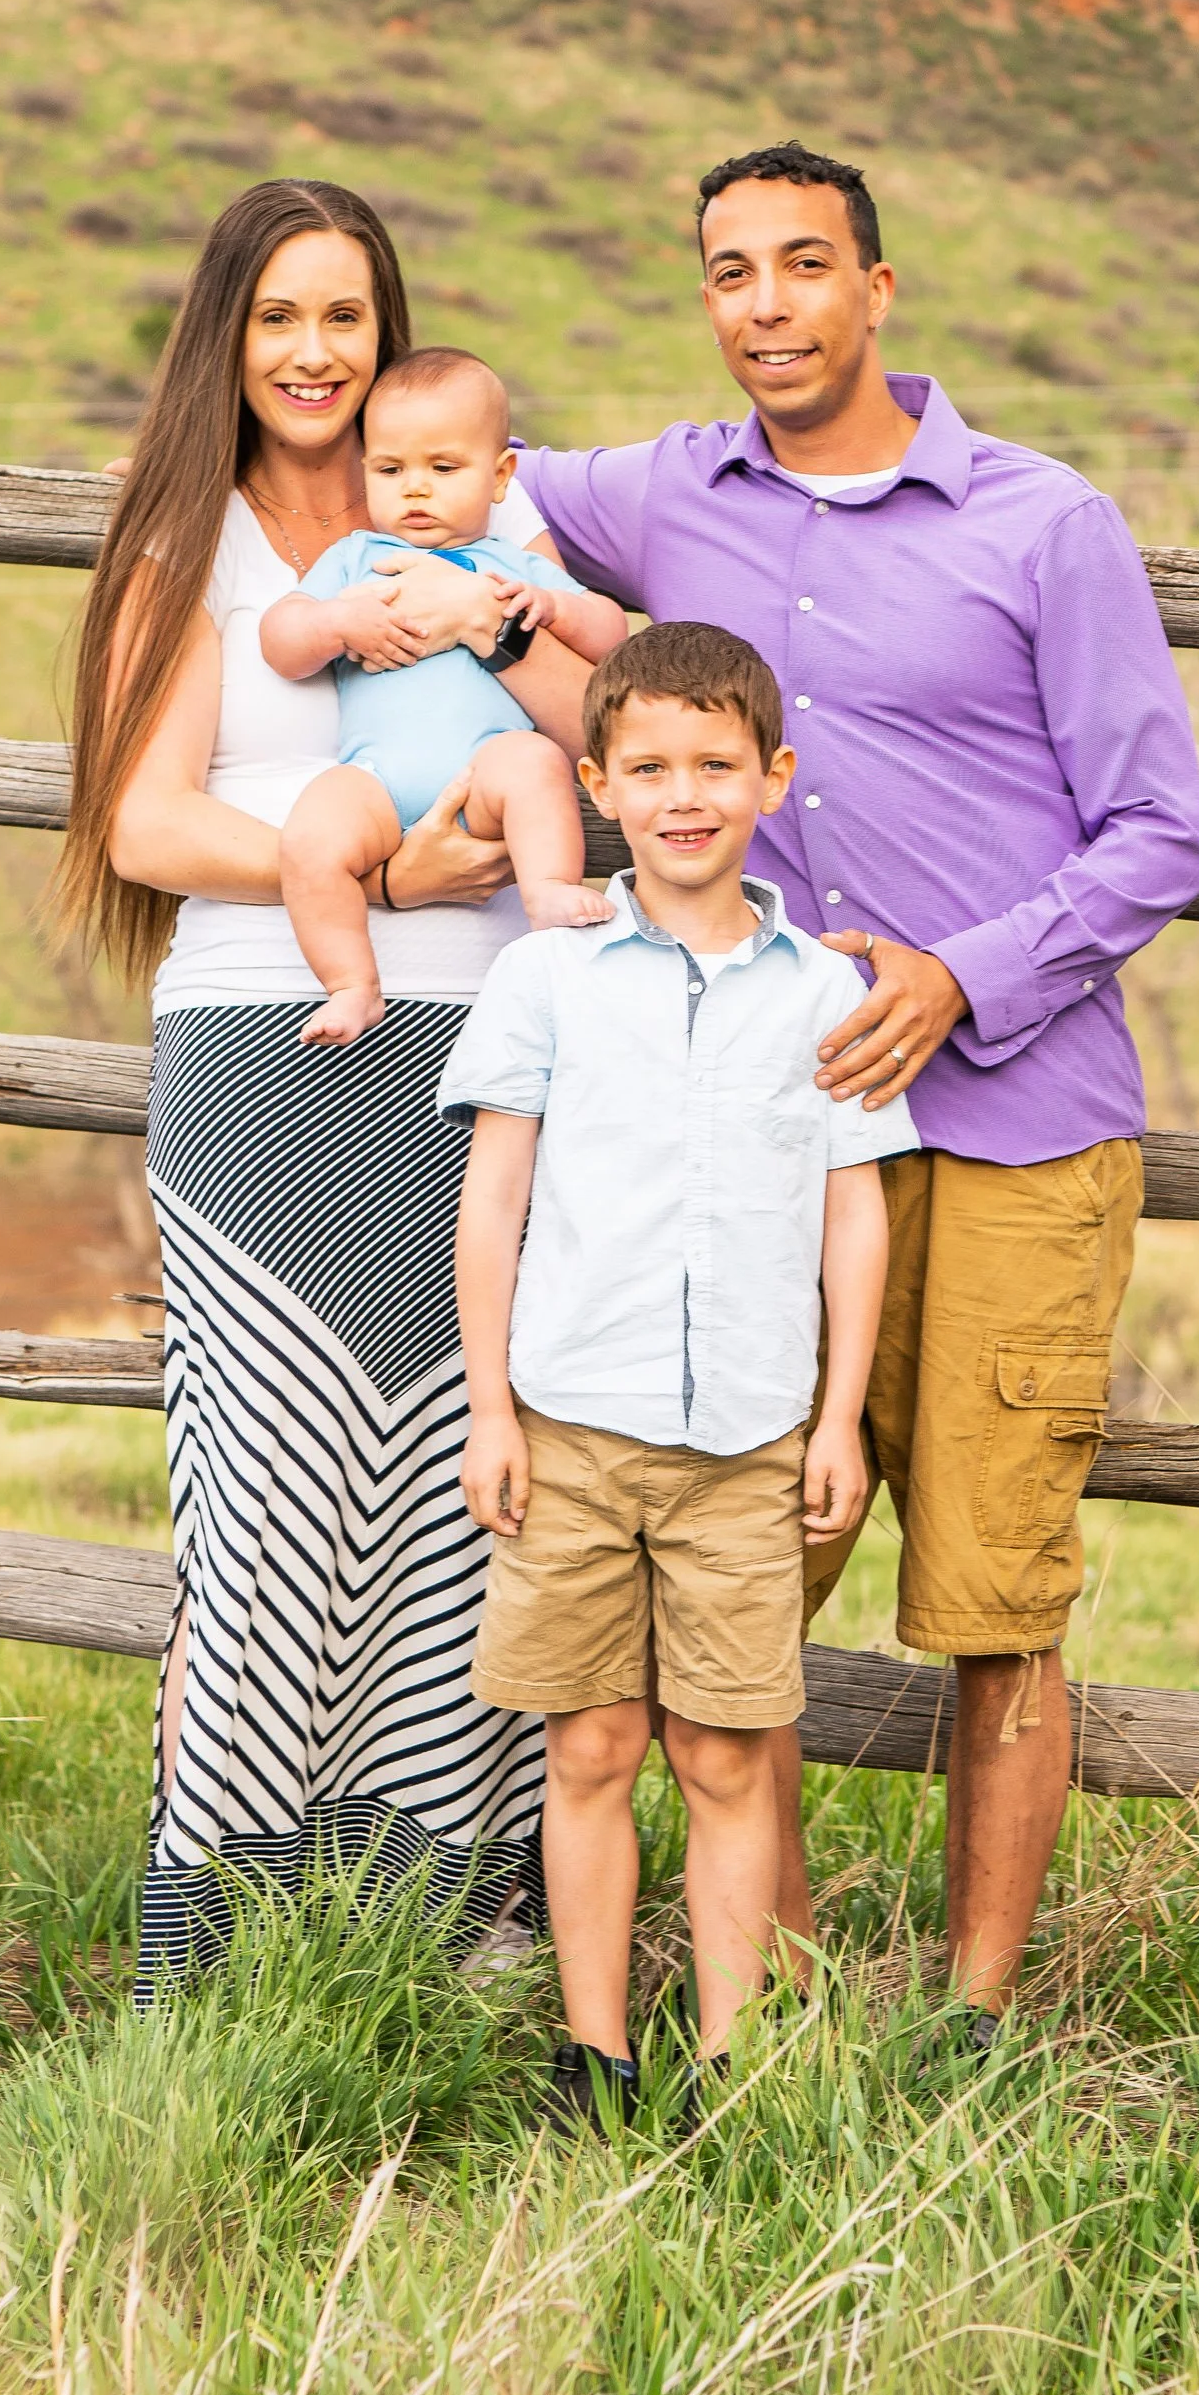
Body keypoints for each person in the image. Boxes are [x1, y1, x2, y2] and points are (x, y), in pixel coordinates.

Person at [510, 140, 1199, 2049]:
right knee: (745, 1586)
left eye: (803, 267)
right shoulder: (663, 492)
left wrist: (960, 972)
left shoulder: (1041, 524)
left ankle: (975, 2021)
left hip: (1016, 1126)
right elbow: (442, 472)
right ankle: (786, 1987)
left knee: (996, 1597)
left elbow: (1164, 830)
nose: (765, 306)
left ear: (878, 290)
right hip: (770, 1144)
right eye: (730, 272)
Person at [55, 178, 598, 1998]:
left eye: (345, 317)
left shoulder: (477, 511)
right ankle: (213, 1976)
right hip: (272, 1055)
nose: (314, 353)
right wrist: (367, 872)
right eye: (280, 317)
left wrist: (503, 630)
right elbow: (144, 819)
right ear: (228, 332)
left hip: (494, 1064)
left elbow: (618, 735)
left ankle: (447, 1966)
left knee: (467, 1510)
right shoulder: (187, 547)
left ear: (390, 333)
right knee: (272, 1505)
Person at [440, 622, 909, 2125]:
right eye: (647, 767)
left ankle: (734, 2058)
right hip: (573, 1422)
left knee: (721, 1748)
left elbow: (854, 1208)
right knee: (587, 1740)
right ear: (596, 784)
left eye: (715, 763)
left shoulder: (821, 993)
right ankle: (597, 2057)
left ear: (773, 778)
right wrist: (491, 1409)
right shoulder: (549, 978)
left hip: (750, 1435)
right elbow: (495, 1200)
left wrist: (836, 1416)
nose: (683, 794)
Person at [262, 344, 628, 1046]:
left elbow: (610, 632)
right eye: (391, 470)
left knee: (531, 760)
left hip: (482, 770)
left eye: (443, 468)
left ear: (499, 477)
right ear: (364, 469)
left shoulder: (514, 566)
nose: (416, 489)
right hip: (376, 778)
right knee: (309, 835)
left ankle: (546, 888)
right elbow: (281, 637)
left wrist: (551, 608)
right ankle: (351, 982)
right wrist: (337, 621)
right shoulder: (356, 561)